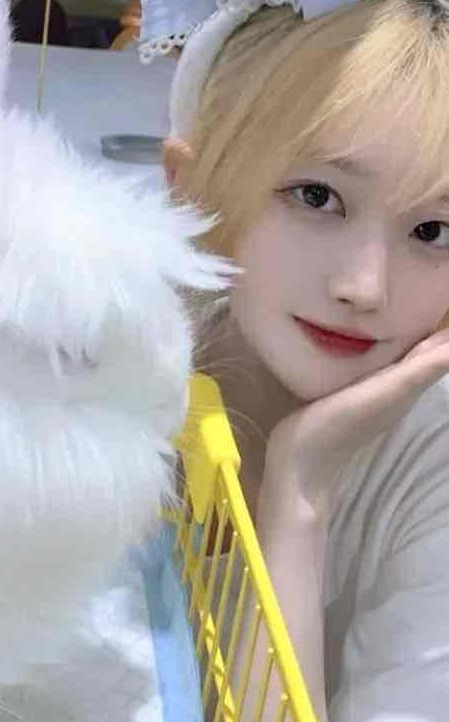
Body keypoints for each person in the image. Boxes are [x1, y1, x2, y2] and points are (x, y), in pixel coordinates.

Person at [158, 0, 449, 719]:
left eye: (433, 231)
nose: (364, 287)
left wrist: (299, 494)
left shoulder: (433, 463)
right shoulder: (75, 379)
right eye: (316, 196)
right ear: (188, 186)